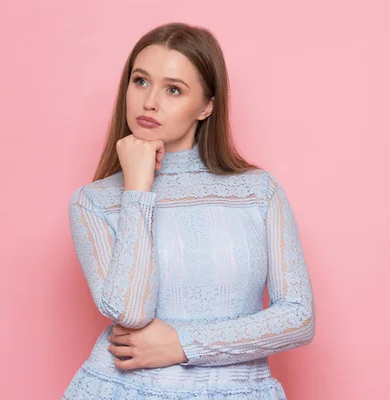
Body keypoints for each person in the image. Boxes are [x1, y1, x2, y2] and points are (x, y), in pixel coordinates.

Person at [62, 21, 315, 400]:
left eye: (174, 89)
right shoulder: (93, 202)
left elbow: (298, 317)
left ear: (206, 106)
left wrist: (184, 344)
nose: (149, 102)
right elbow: (131, 312)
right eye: (140, 81)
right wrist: (137, 189)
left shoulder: (257, 191)